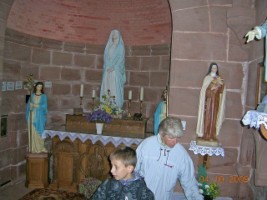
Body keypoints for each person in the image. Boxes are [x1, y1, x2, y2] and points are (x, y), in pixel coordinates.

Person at [135, 117, 203, 200]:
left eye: (177, 138)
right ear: (161, 134)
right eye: (171, 138)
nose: (175, 142)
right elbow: (133, 170)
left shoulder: (181, 154)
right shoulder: (146, 145)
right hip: (142, 196)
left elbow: (190, 182)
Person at [196, 63, 226, 141]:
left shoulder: (219, 78)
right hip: (208, 102)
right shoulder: (207, 78)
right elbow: (204, 90)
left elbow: (222, 91)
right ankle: (206, 134)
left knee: (214, 117)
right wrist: (212, 88)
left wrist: (219, 86)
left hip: (216, 101)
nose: (214, 69)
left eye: (215, 68)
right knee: (207, 117)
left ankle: (212, 135)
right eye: (213, 68)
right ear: (210, 69)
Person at [100, 29, 126, 109]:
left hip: (115, 72)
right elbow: (106, 58)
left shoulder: (120, 47)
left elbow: (121, 59)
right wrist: (107, 67)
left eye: (116, 33)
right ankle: (105, 105)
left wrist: (114, 67)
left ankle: (115, 106)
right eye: (113, 33)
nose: (114, 34)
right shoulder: (109, 46)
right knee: (106, 87)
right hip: (107, 71)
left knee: (114, 88)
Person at [26, 82, 48, 153]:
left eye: (41, 87)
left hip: (39, 117)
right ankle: (32, 147)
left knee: (39, 132)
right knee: (32, 131)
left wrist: (37, 106)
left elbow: (45, 106)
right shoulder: (32, 95)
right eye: (38, 86)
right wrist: (30, 106)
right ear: (36, 87)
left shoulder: (44, 96)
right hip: (32, 115)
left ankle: (40, 147)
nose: (39, 88)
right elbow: (28, 106)